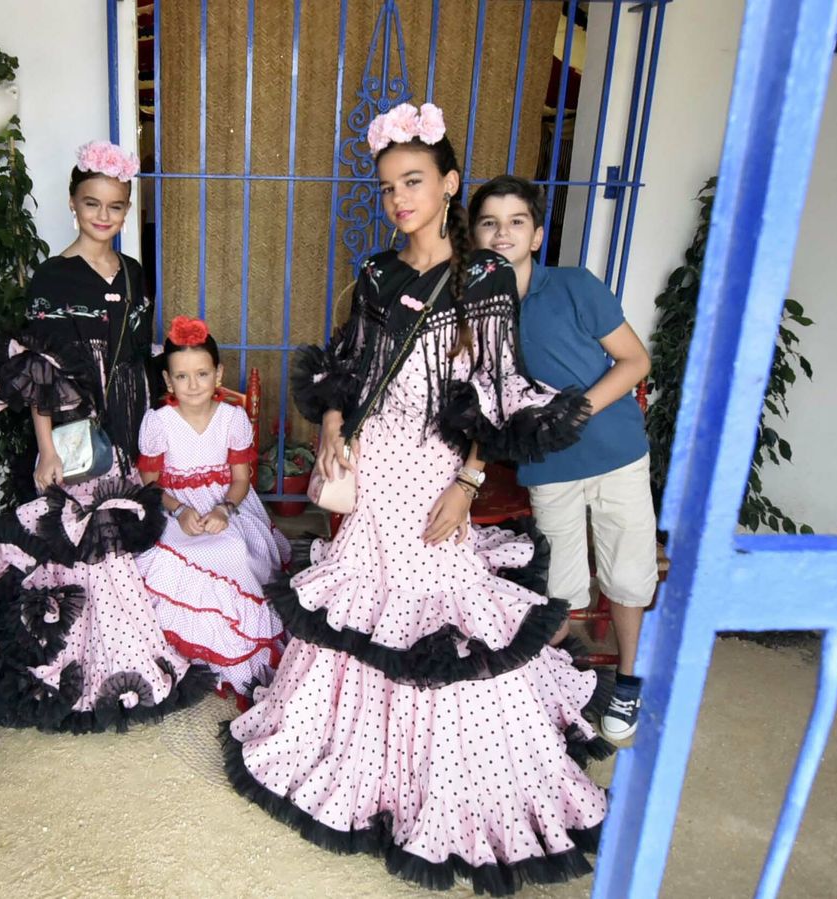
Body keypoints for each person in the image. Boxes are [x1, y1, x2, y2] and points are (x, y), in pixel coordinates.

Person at [222, 103, 612, 895]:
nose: (401, 199)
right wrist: (332, 420)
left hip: (435, 467)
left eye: (415, 182)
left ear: (449, 184)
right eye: (389, 186)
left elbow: (495, 388)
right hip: (373, 465)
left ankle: (452, 774)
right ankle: (365, 759)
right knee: (367, 606)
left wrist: (469, 481)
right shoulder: (377, 272)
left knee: (439, 605)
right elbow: (349, 364)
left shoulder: (485, 276)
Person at [0, 141, 212, 733]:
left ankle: (125, 640)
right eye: (92, 203)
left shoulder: (135, 273)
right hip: (71, 423)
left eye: (116, 206)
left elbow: (139, 357)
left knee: (119, 529)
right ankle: (82, 660)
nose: (104, 215)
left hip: (125, 414)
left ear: (126, 211)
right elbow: (40, 367)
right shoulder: (53, 277)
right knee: (83, 534)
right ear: (73, 204)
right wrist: (47, 447)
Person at [469, 175, 655, 743]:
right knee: (562, 588)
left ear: (537, 233)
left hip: (616, 453)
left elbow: (634, 361)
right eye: (490, 223)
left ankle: (627, 681)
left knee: (627, 572)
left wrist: (575, 411)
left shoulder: (574, 286)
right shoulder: (474, 309)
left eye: (516, 222)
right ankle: (558, 689)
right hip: (548, 470)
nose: (503, 233)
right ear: (474, 235)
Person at [133, 317, 291, 703]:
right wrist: (179, 510)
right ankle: (193, 647)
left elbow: (240, 480)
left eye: (202, 374)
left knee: (233, 551)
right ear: (168, 381)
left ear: (218, 374)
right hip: (174, 505)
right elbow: (150, 482)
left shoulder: (233, 418)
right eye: (182, 377)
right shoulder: (158, 421)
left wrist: (224, 509)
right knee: (173, 557)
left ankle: (235, 651)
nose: (193, 385)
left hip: (227, 502)